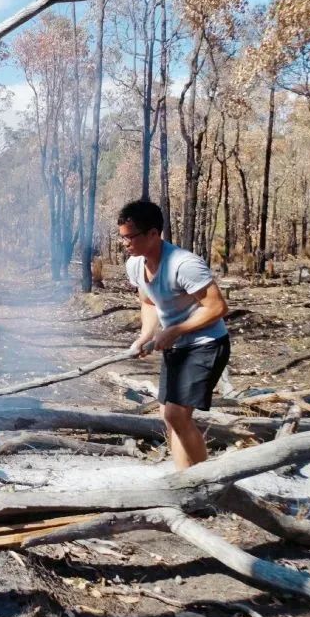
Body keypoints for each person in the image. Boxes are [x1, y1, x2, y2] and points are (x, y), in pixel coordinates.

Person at [118, 200, 230, 470]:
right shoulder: (135, 265)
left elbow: (217, 307)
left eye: (130, 237)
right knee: (169, 417)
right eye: (122, 237)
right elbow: (149, 302)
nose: (125, 243)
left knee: (176, 414)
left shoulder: (184, 264)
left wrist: (175, 330)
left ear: (154, 234)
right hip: (176, 346)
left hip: (207, 344)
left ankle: (207, 485)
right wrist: (147, 335)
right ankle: (184, 481)